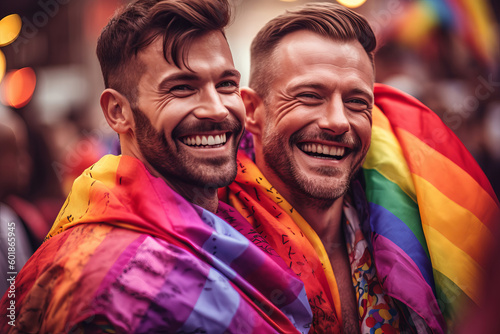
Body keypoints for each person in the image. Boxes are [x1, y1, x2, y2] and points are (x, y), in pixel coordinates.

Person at [0, 1, 313, 333]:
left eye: (225, 84)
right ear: (118, 112)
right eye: (181, 88)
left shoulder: (235, 220)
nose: (218, 109)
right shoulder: (108, 291)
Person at [221, 3, 500, 333]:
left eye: (356, 102)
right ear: (252, 110)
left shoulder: (418, 221)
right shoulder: (210, 239)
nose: (338, 122)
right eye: (309, 96)